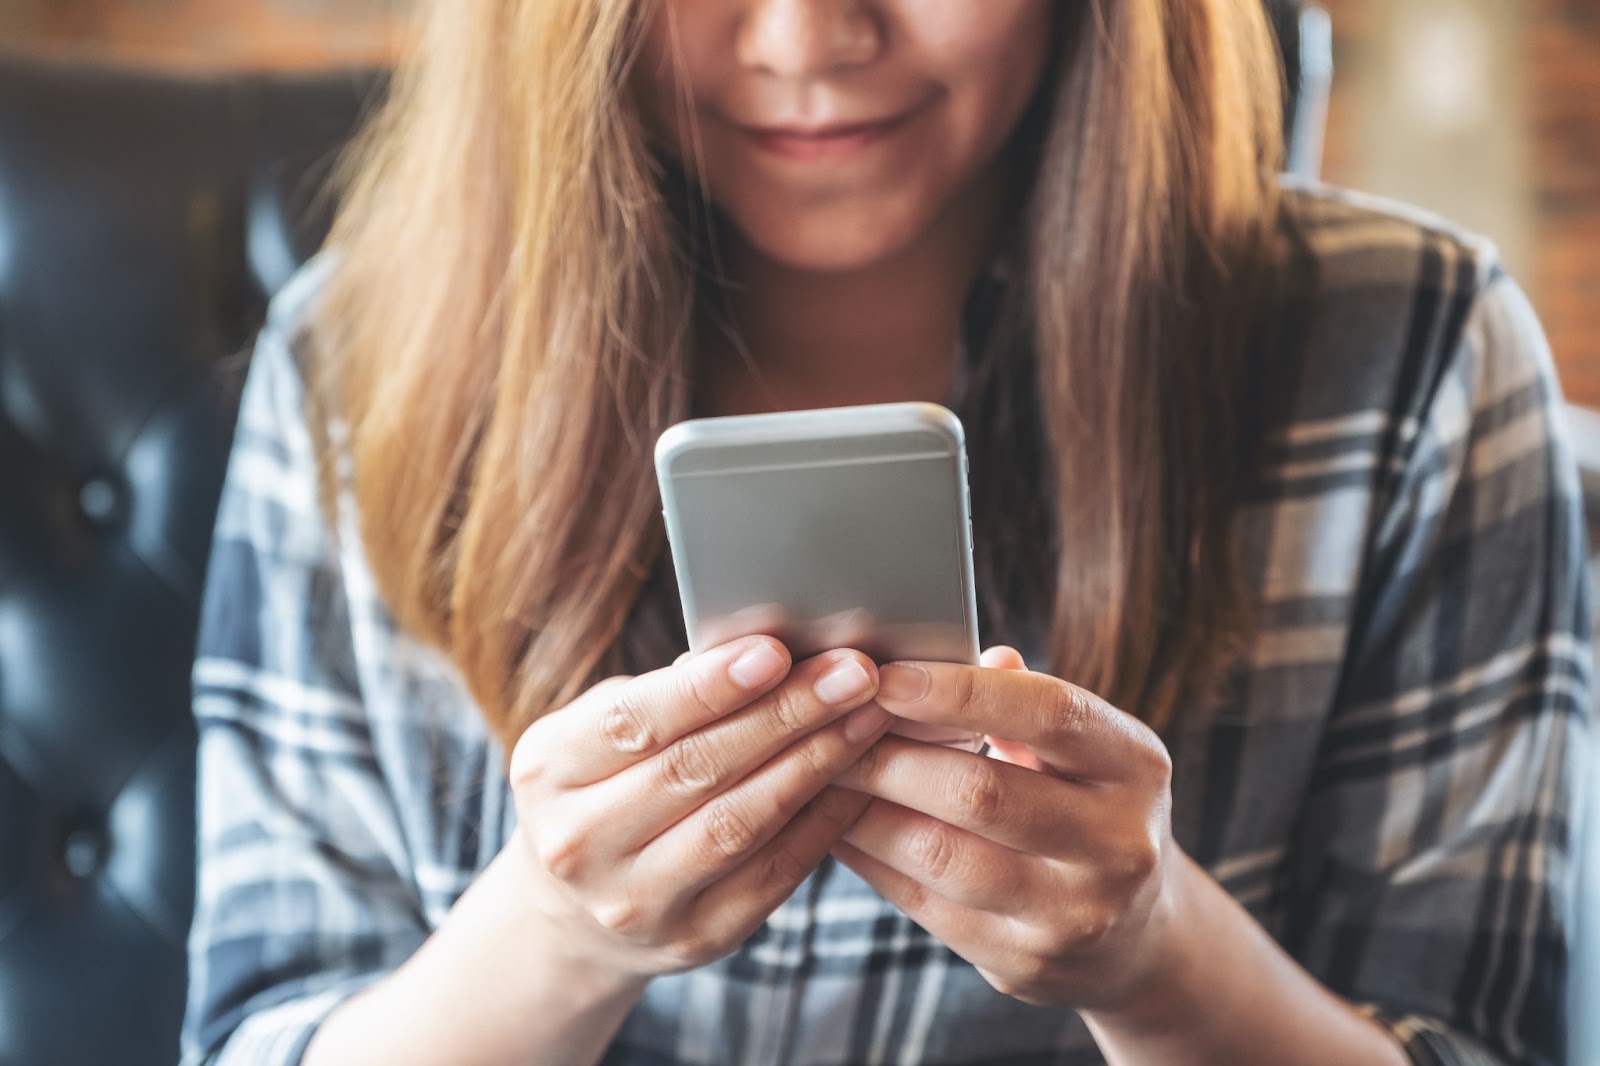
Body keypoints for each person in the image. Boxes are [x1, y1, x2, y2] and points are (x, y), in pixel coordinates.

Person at [179, 2, 1592, 1064]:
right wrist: (552, 937)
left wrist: (1158, 954)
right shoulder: (365, 359)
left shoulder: (1416, 360)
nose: (810, 37)